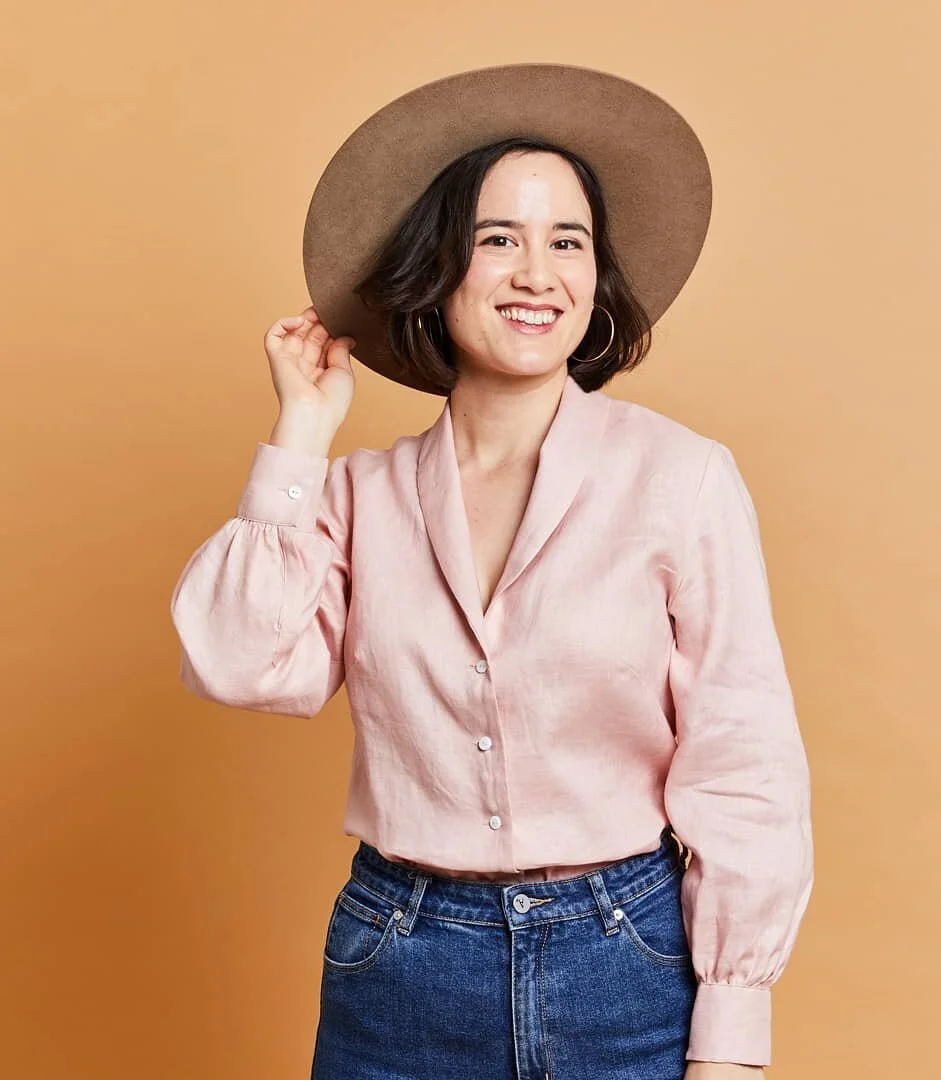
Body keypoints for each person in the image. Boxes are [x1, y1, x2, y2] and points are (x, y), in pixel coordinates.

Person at [170, 64, 813, 1080]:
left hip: (627, 963)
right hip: (399, 963)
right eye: (497, 239)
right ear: (439, 267)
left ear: (597, 278)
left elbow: (743, 757)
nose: (536, 272)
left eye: (568, 242)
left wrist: (731, 1037)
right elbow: (244, 666)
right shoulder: (358, 497)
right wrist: (299, 438)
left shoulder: (682, 479)